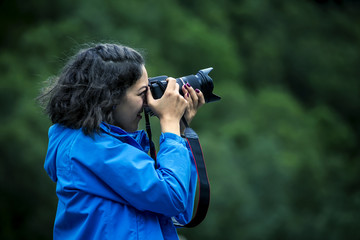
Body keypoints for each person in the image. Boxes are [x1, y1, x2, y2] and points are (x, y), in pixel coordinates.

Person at [38, 43, 205, 239]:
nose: (148, 103)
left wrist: (180, 131)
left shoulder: (117, 145)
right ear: (111, 97)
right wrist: (169, 123)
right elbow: (171, 197)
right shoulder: (88, 149)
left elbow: (178, 213)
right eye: (142, 93)